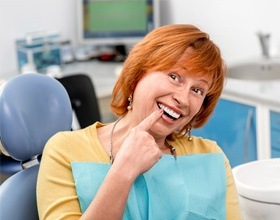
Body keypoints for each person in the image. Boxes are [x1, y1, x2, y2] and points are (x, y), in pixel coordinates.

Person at [37, 24, 243, 219]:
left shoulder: (211, 157)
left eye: (197, 90)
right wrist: (124, 170)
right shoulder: (64, 150)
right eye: (174, 77)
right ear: (137, 75)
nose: (183, 99)